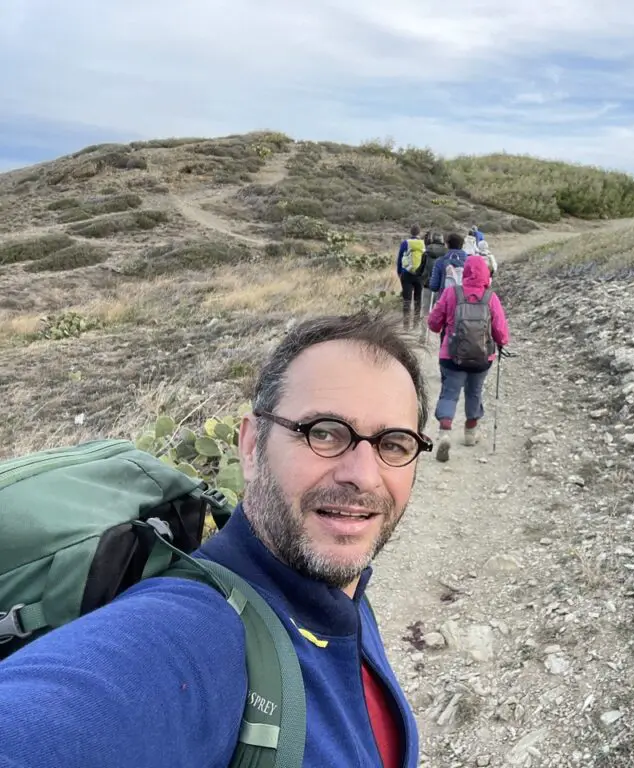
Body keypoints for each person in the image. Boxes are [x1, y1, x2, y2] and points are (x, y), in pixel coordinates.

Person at [0, 313, 431, 768]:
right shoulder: (191, 634)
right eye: (322, 432)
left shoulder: (344, 588)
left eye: (394, 444)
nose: (362, 476)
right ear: (250, 447)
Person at [427, 254, 510, 462]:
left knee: (449, 392)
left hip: (451, 355)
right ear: (485, 273)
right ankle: (470, 434)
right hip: (482, 357)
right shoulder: (491, 297)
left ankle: (445, 431)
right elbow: (501, 332)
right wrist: (501, 343)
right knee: (474, 392)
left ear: (465, 273)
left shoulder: (451, 292)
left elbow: (433, 323)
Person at [396, 224, 426, 330]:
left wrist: (399, 272)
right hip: (420, 275)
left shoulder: (405, 243)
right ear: (419, 232)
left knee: (407, 300)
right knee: (418, 300)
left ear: (410, 232)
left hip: (407, 274)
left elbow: (400, 257)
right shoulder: (423, 244)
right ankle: (416, 324)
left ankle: (406, 325)